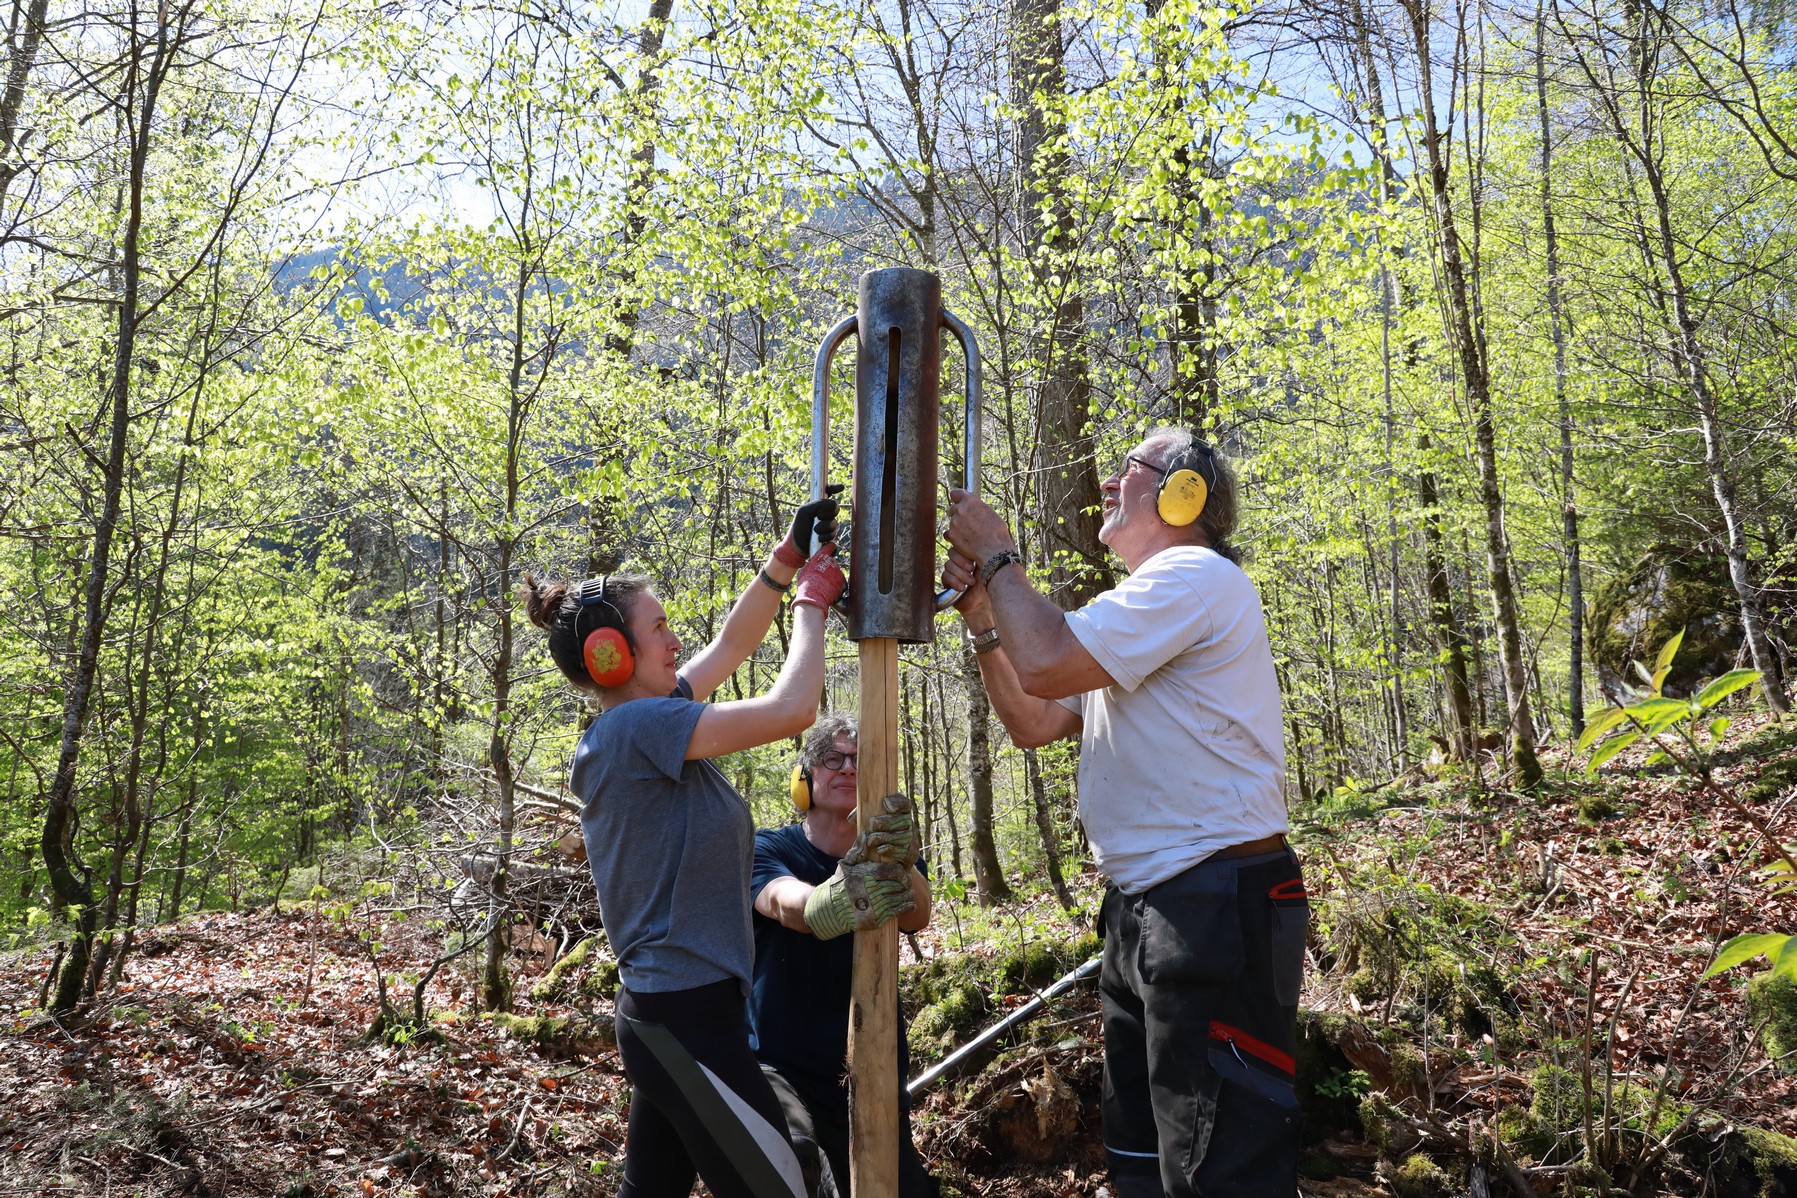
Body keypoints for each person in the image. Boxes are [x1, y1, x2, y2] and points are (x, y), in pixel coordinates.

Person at [941, 428, 1308, 1198]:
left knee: (1219, 1168)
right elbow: (1033, 718)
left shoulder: (1193, 578)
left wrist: (1000, 555)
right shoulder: (1137, 608)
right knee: (1144, 1162)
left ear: (1184, 495)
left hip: (1214, 902)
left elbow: (1042, 659)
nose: (1107, 484)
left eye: (1128, 471)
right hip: (1149, 905)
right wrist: (982, 617)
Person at [520, 491, 915, 1198]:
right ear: (609, 656)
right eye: (660, 627)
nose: (675, 640)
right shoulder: (635, 731)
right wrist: (809, 606)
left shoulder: (645, 717)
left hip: (679, 1016)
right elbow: (793, 710)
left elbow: (729, 649)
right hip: (685, 1023)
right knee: (788, 1188)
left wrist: (783, 562)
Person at [748, 714, 936, 1198]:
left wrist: (900, 859)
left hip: (872, 1068)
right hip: (783, 1070)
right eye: (833, 759)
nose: (848, 769)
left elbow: (918, 915)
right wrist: (833, 901)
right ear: (805, 776)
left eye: (860, 761)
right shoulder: (768, 847)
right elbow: (782, 903)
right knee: (797, 1162)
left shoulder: (889, 850)